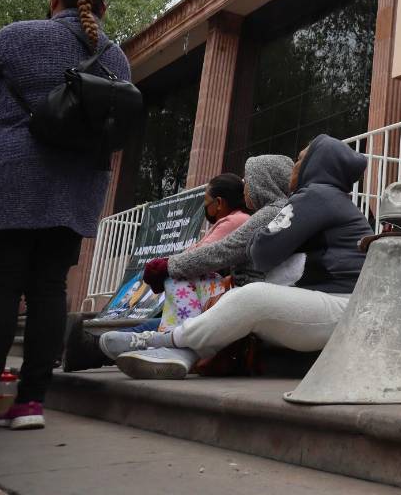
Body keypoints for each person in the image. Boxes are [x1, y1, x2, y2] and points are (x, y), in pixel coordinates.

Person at [112, 135, 371, 380]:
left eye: (302, 159)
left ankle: (158, 341)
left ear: (317, 165)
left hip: (343, 307)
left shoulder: (317, 195)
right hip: (336, 306)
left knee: (250, 296)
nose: (295, 165)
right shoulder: (326, 198)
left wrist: (262, 241)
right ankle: (177, 352)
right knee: (243, 300)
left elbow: (262, 252)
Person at [0, 0, 131, 430]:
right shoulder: (116, 58)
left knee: (3, 283)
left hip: (13, 174)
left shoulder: (15, 38)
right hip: (76, 185)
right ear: (102, 7)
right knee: (50, 288)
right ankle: (31, 402)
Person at [96, 156, 296, 362]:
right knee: (179, 283)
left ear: (263, 183)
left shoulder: (268, 213)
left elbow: (222, 251)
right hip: (245, 293)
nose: (244, 187)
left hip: (246, 294)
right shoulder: (273, 212)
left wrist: (168, 266)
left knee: (179, 278)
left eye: (248, 181)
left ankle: (169, 345)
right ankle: (167, 345)